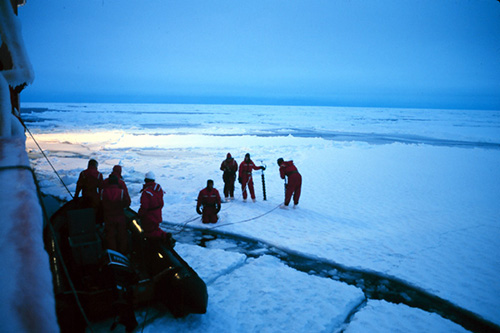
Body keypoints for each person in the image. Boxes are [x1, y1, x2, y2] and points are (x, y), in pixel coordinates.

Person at [138, 171, 173, 244]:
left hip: (149, 216)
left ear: (146, 180)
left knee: (149, 232)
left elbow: (144, 206)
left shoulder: (146, 192)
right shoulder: (158, 189)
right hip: (157, 213)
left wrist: (140, 214)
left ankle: (163, 238)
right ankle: (165, 236)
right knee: (155, 228)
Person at [101, 174, 131, 254]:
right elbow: (127, 203)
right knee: (122, 235)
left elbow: (100, 203)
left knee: (110, 236)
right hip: (120, 216)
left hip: (108, 216)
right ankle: (123, 252)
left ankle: (113, 253)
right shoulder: (121, 192)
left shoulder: (103, 192)